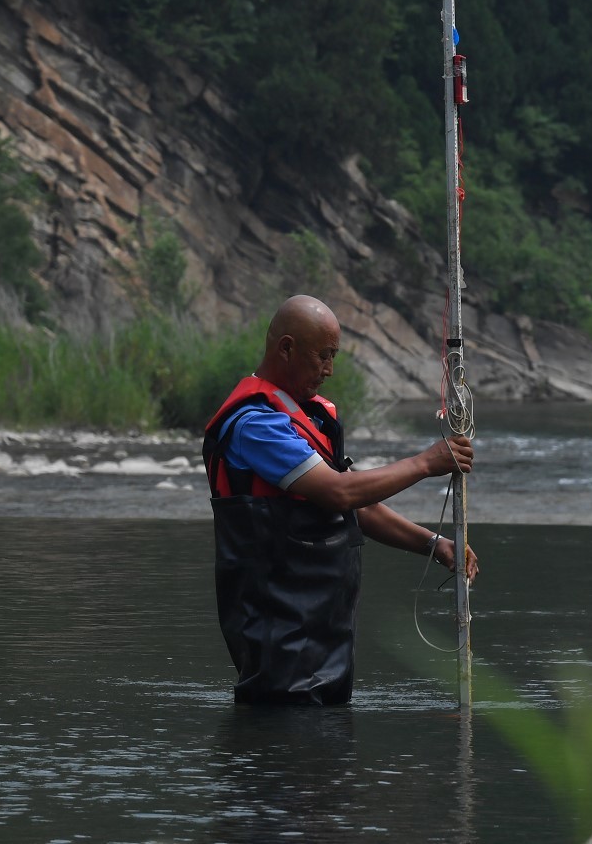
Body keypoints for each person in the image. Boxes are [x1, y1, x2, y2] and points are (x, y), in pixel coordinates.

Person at [202, 295, 479, 705]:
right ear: (286, 348)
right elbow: (339, 492)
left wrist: (432, 544)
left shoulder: (310, 418)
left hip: (323, 626)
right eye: (322, 356)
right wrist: (425, 463)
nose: (329, 370)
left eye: (334, 357)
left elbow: (359, 507)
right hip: (279, 627)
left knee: (328, 747)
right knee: (287, 739)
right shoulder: (255, 425)